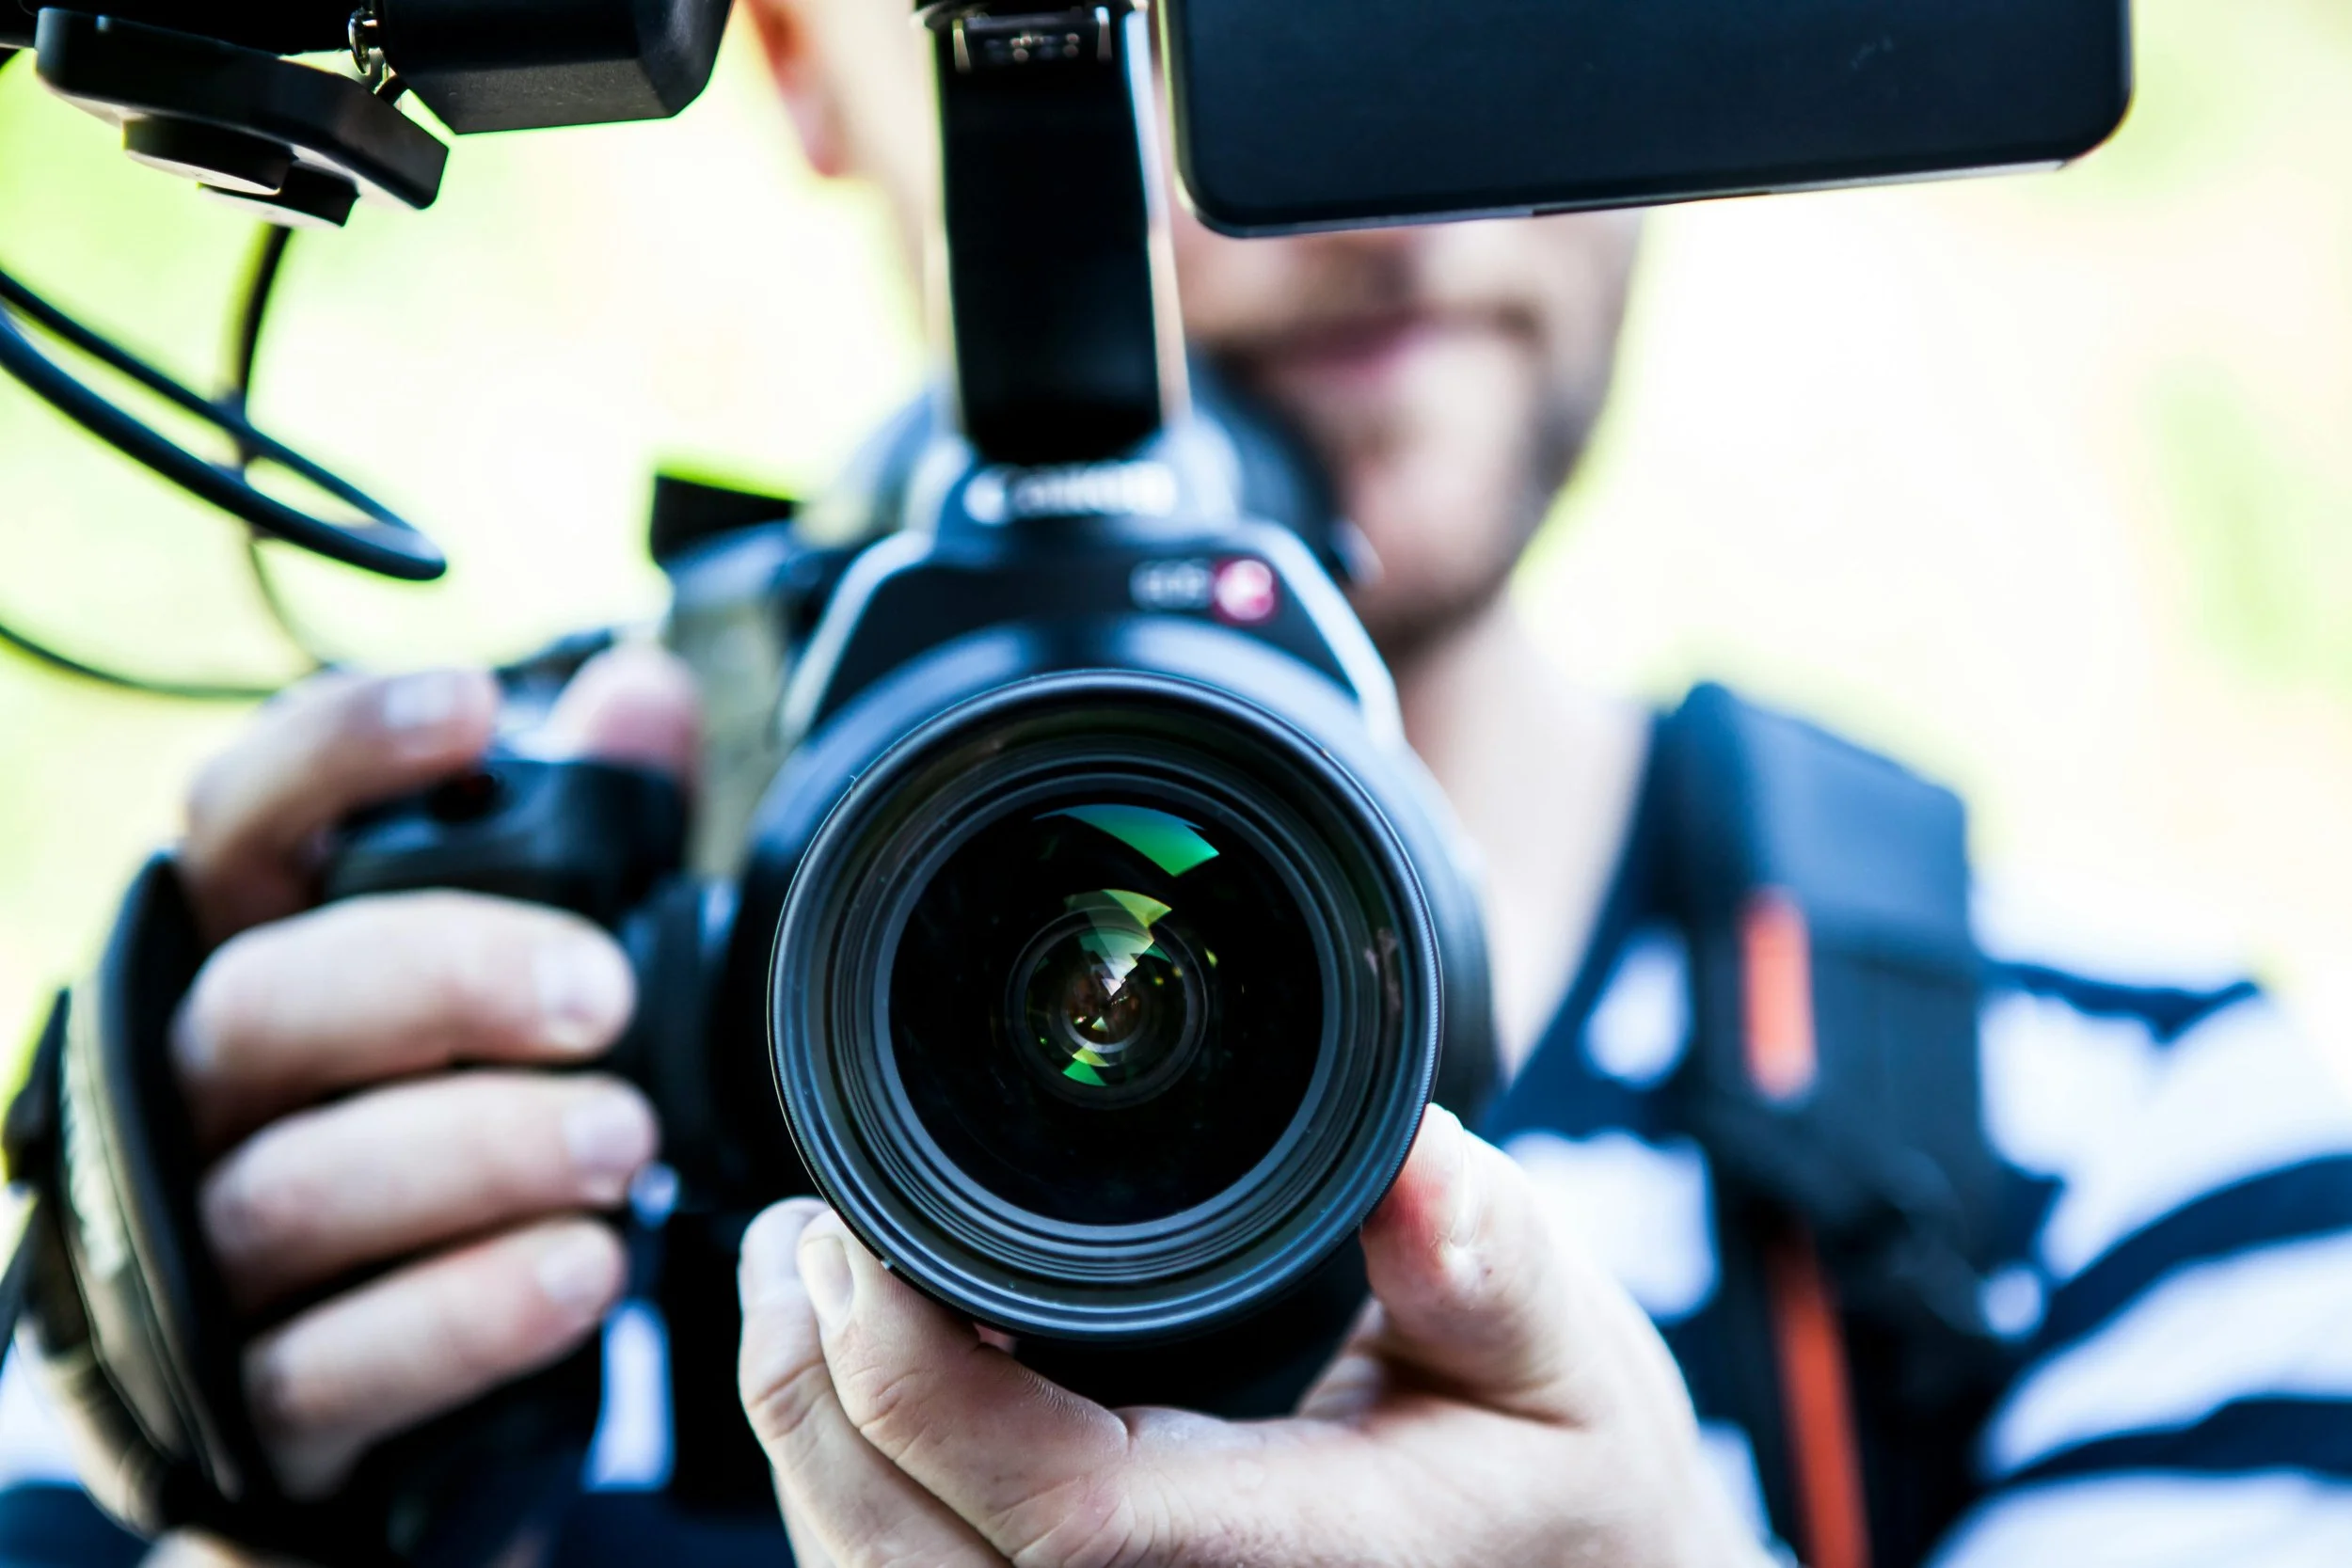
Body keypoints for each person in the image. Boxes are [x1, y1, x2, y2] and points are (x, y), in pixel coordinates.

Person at [7, 0, 2352, 1563]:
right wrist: (183, 1437)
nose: (1361, 181)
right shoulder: (410, 1047)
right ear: (807, 55)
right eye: (1174, 3)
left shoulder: (2124, 1137)